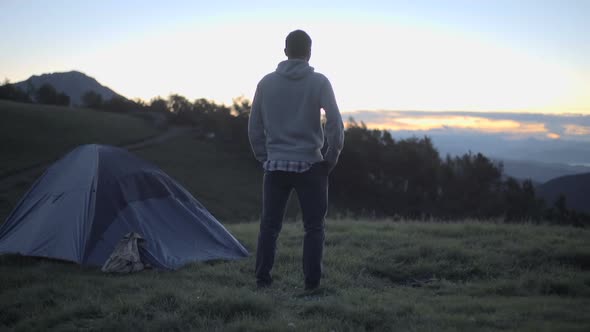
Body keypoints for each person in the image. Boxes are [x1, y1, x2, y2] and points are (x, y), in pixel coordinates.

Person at [248, 29, 345, 290]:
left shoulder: (266, 83)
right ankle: (311, 284)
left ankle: (262, 280)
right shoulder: (320, 82)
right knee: (314, 228)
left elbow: (254, 125)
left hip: (275, 165)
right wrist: (331, 157)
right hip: (311, 166)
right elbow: (335, 122)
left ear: (285, 51)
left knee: (269, 227)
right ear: (309, 52)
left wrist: (263, 157)